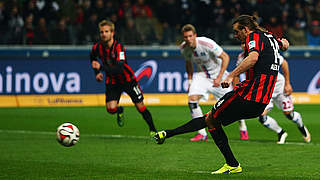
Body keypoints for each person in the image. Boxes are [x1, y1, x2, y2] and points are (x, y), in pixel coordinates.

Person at [154, 15, 290, 174]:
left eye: (236, 31)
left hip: (250, 94)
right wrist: (283, 43)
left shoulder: (252, 37)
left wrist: (230, 75)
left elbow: (253, 58)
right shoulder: (270, 37)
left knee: (210, 119)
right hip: (261, 102)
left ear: (245, 30)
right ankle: (167, 134)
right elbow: (284, 44)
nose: (235, 35)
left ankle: (231, 163)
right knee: (212, 120)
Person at [179, 24, 249, 141]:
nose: (188, 39)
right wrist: (190, 81)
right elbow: (188, 64)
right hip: (202, 76)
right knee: (192, 100)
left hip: (218, 75)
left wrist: (219, 77)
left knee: (233, 104)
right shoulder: (183, 48)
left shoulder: (206, 43)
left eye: (190, 36)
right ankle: (202, 133)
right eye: (186, 37)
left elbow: (225, 57)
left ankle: (243, 128)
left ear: (195, 35)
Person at [90, 20, 157, 137]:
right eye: (101, 32)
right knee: (111, 109)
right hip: (112, 81)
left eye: (106, 31)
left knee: (140, 107)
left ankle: (153, 130)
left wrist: (100, 67)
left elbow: (119, 68)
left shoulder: (119, 47)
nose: (103, 34)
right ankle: (119, 110)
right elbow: (92, 57)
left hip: (128, 80)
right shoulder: (97, 47)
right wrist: (96, 72)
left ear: (112, 33)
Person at [236, 47, 311, 144]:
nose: (244, 45)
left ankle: (301, 127)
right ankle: (281, 133)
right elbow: (237, 73)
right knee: (261, 116)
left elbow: (284, 63)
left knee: (289, 114)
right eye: (242, 43)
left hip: (278, 85)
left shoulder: (265, 52)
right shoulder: (241, 57)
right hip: (265, 89)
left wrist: (287, 83)